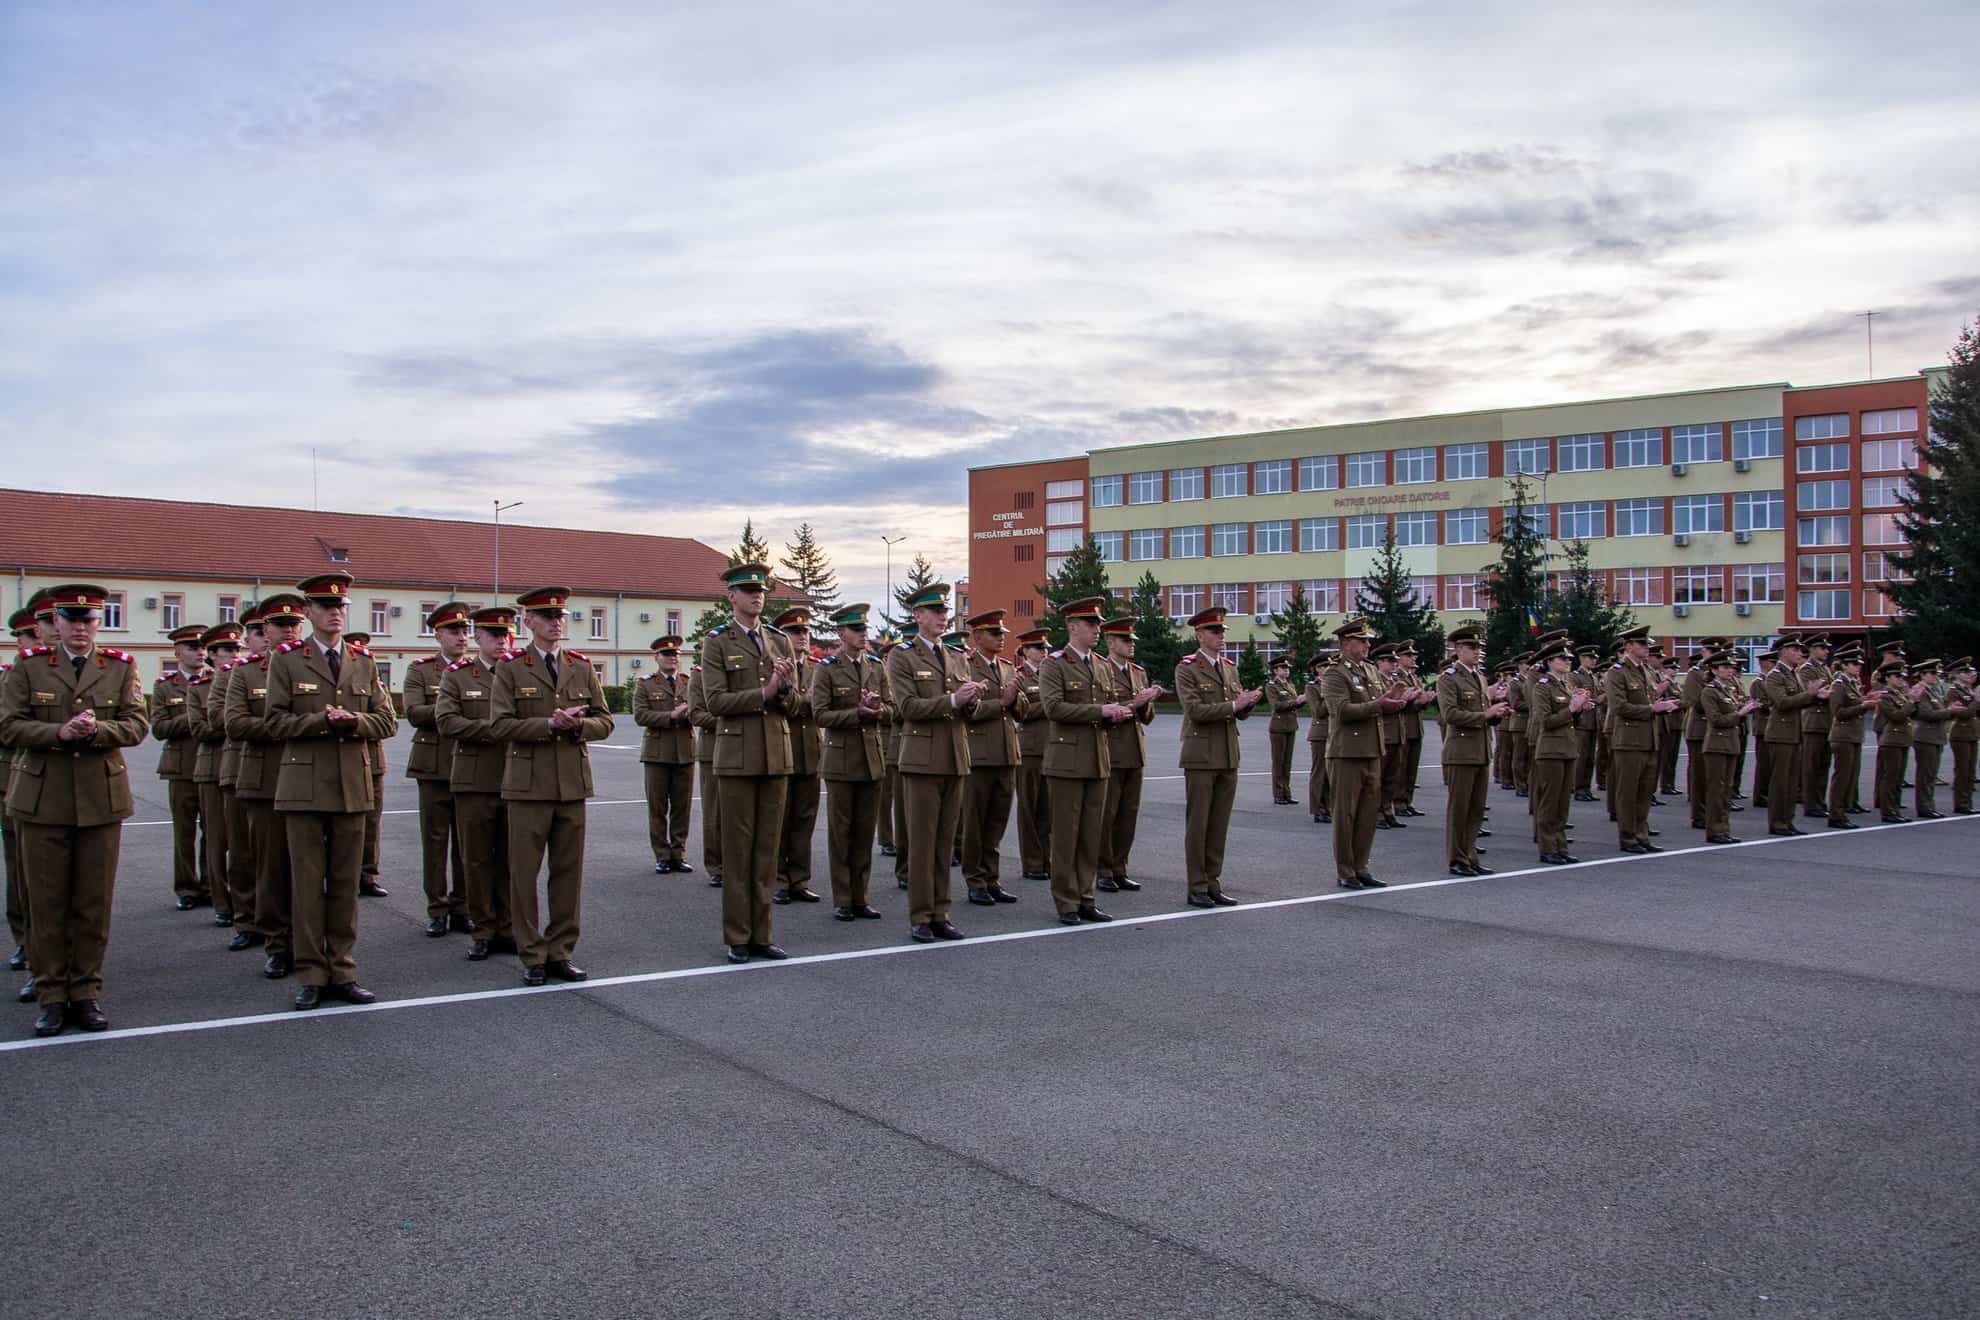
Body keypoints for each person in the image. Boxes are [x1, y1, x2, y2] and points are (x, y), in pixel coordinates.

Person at [0, 585, 147, 1036]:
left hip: (100, 801)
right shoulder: (28, 668)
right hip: (42, 800)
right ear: (56, 623)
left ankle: (85, 993)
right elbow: (7, 724)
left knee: (92, 904)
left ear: (98, 623)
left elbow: (138, 723)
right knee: (46, 904)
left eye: (89, 620)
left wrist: (98, 730)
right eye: (72, 619)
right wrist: (57, 733)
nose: (81, 627)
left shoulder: (120, 668)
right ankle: (50, 995)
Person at [266, 573, 397, 1010]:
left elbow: (387, 721)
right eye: (325, 606)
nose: (334, 612)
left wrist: (355, 722)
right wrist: (324, 721)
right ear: (308, 613)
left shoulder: (362, 660)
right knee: (306, 885)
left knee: (344, 885)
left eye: (340, 606)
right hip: (303, 787)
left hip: (352, 787)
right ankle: (310, 973)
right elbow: (274, 722)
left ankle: (342, 968)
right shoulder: (286, 660)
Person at [492, 587, 614, 985]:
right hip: (528, 786)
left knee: (567, 874)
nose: (555, 622)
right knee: (524, 875)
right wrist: (548, 723)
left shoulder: (580, 666)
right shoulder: (511, 667)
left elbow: (605, 722)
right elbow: (500, 726)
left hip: (571, 785)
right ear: (528, 621)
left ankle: (561, 950)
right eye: (546, 615)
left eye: (560, 615)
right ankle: (532, 953)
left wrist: (578, 724)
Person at [701, 563, 805, 962]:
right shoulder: (718, 643)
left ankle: (762, 933)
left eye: (759, 590)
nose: (756, 596)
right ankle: (738, 936)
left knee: (766, 851)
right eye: (746, 590)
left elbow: (793, 705)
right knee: (739, 851)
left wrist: (784, 692)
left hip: (776, 756)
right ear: (732, 596)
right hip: (738, 757)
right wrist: (765, 691)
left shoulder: (780, 642)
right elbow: (715, 702)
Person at [884, 582, 982, 943]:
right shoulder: (902, 656)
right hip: (922, 760)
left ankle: (942, 913)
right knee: (923, 845)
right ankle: (921, 916)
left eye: (945, 612)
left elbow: (965, 710)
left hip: (955, 758)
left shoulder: (956, 656)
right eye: (935, 612)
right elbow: (907, 708)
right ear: (918, 617)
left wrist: (970, 701)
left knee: (945, 844)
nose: (943, 617)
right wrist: (955, 701)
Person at [226, 594, 307, 977]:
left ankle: (310, 944)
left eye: (295, 624)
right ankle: (277, 943)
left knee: (307, 869)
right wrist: (290, 726)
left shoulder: (313, 666)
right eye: (280, 625)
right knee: (270, 867)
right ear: (265, 632)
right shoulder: (245, 673)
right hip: (266, 780)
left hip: (309, 779)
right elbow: (235, 723)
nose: (289, 630)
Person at [435, 605, 520, 961]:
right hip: (473, 779)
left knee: (511, 860)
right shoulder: (458, 675)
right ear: (478, 638)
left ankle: (509, 926)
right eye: (493, 635)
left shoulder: (519, 673)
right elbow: (447, 722)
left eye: (506, 635)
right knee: (477, 859)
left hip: (514, 777)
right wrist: (494, 729)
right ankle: (483, 928)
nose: (501, 641)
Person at [1038, 597, 1129, 923]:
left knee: (1091, 834)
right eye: (1091, 625)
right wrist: (1100, 711)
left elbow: (1104, 706)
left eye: (1098, 625)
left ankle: (1086, 897)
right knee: (1066, 836)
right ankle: (1066, 901)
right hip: (1066, 760)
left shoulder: (1101, 665)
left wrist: (1116, 712)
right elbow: (1053, 708)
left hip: (1097, 758)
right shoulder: (1055, 663)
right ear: (1072, 627)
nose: (1097, 630)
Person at [1175, 605, 1261, 907]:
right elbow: (1196, 711)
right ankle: (1196, 885)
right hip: (1200, 754)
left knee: (1218, 824)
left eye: (1222, 631)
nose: (1220, 636)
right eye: (1214, 631)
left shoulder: (1228, 666)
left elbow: (1237, 712)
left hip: (1227, 753)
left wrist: (1247, 704)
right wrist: (1235, 706)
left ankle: (1213, 881)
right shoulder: (1187, 667)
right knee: (1198, 824)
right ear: (1199, 635)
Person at [811, 604, 889, 921]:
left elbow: (895, 709)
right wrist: (855, 712)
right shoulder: (827, 669)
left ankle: (861, 896)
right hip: (841, 761)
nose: (862, 635)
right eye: (856, 630)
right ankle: (843, 897)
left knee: (864, 832)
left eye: (864, 629)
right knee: (841, 833)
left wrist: (879, 709)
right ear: (841, 633)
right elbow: (820, 714)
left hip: (871, 759)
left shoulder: (876, 666)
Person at [405, 602, 472, 936]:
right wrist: (455, 711)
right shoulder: (421, 669)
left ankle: (463, 906)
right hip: (433, 765)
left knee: (467, 842)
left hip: (471, 764)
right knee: (435, 841)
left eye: (465, 631)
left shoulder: (478, 670)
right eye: (454, 631)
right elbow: (414, 712)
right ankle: (437, 907)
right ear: (438, 635)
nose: (462, 637)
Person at [1322, 617, 1404, 887]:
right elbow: (1341, 711)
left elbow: (1376, 704)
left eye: (1369, 640)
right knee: (1346, 815)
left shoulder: (1370, 670)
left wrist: (1391, 700)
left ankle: (1361, 866)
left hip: (1371, 749)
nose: (1368, 645)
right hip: (1347, 752)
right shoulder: (1335, 673)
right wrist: (1379, 704)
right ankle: (1345, 870)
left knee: (1368, 813)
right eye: (1363, 640)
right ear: (1346, 643)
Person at [959, 609, 1023, 907]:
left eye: (1001, 634)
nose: (1000, 638)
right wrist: (1002, 702)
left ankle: (992, 878)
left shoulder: (1008, 667)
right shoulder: (966, 666)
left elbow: (1019, 710)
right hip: (979, 754)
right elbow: (966, 711)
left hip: (1006, 753)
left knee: (997, 821)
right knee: (976, 821)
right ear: (977, 636)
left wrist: (1016, 698)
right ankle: (975, 880)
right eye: (994, 633)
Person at [1437, 623, 1506, 877]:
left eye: (1479, 647)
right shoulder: (1449, 678)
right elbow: (1450, 714)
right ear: (1457, 649)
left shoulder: (1479, 677)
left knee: (1476, 809)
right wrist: (1485, 714)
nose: (1477, 651)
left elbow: (1482, 714)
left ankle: (1470, 854)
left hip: (1480, 749)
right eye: (1471, 647)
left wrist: (1496, 714)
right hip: (1461, 750)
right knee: (1460, 809)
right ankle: (1457, 858)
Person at [1097, 615, 1160, 892]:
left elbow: (1147, 717)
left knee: (1128, 815)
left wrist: (1146, 704)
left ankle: (1120, 867)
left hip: (1134, 750)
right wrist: (1137, 702)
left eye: (1132, 640)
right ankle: (1103, 870)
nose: (1130, 644)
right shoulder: (1100, 669)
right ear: (1110, 642)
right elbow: (1101, 708)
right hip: (1111, 748)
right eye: (1125, 640)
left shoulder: (1138, 672)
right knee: (1107, 814)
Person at [1604, 624, 1679, 854]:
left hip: (1648, 738)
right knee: (1628, 791)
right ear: (1628, 646)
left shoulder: (1644, 670)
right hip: (1629, 739)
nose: (1647, 648)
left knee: (1645, 791)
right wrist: (1652, 709)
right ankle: (1628, 837)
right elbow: (1619, 706)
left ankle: (1641, 834)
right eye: (1642, 644)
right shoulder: (1617, 672)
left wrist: (1663, 706)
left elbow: (1649, 698)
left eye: (1647, 644)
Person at [153, 621, 209, 910]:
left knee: (214, 833)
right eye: (192, 647)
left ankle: (211, 885)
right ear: (178, 652)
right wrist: (193, 717)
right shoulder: (165, 686)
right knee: (184, 833)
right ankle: (187, 888)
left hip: (212, 766)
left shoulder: (217, 680)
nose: (200, 652)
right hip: (182, 767)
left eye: (202, 647)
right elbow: (159, 727)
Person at [190, 622, 241, 925]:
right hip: (212, 767)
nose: (233, 655)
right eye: (226, 650)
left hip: (239, 765)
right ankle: (221, 902)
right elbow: (201, 728)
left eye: (236, 648)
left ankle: (243, 899)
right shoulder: (200, 687)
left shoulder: (247, 677)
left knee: (241, 841)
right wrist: (239, 721)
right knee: (216, 838)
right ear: (211, 655)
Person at [632, 634, 696, 875]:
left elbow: (701, 710)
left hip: (685, 752)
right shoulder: (646, 683)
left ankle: (678, 854)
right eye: (667, 655)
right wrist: (670, 716)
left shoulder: (688, 682)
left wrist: (688, 713)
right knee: (657, 807)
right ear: (656, 657)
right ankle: (661, 854)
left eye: (675, 655)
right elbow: (640, 716)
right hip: (657, 753)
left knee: (682, 807)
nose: (672, 659)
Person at [773, 607, 824, 904]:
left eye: (805, 632)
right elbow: (784, 705)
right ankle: (780, 878)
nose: (802, 637)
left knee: (805, 819)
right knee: (782, 817)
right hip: (784, 749)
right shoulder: (779, 668)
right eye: (795, 632)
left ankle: (800, 878)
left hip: (810, 752)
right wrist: (806, 700)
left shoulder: (817, 667)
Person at [1531, 640, 1593, 864]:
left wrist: (1579, 709)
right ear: (1549, 662)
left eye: (1569, 658)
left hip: (1567, 748)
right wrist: (1572, 708)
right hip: (1550, 750)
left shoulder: (1565, 685)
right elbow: (1546, 721)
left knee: (1562, 803)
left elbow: (1568, 719)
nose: (1568, 662)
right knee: (1550, 802)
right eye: (1562, 659)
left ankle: (1560, 845)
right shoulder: (1543, 686)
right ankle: (1548, 848)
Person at [1761, 636, 1828, 836]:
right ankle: (1777, 822)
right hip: (1780, 734)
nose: (1800, 654)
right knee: (1780, 781)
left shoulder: (1792, 674)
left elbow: (1799, 701)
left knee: (1791, 782)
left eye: (1800, 651)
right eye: (1795, 650)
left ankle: (1787, 820)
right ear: (1784, 652)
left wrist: (1816, 696)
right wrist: (1810, 694)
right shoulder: (1775, 675)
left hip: (1793, 733)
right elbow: (1782, 703)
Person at [342, 630, 390, 899]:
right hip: (348, 757)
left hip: (372, 760)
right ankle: (344, 875)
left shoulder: (374, 683)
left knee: (370, 825)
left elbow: (388, 721)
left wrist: (357, 721)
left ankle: (368, 875)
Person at [1698, 651, 1762, 844]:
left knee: (1727, 788)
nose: (1729, 670)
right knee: (1717, 789)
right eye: (1724, 667)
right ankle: (1715, 830)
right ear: (1715, 670)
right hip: (1717, 744)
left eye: (1730, 667)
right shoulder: (1710, 691)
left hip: (1730, 743)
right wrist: (1741, 713)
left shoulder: (1728, 690)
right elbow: (1716, 719)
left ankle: (1723, 828)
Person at [1012, 629, 1053, 882]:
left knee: (1048, 810)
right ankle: (1031, 862)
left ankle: (1046, 859)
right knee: (1029, 808)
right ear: (1026, 651)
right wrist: (1050, 704)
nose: (1043, 652)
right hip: (1028, 749)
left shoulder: (1050, 675)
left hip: (1052, 748)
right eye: (1038, 648)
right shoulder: (1019, 677)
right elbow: (1021, 711)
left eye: (1045, 648)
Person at [1824, 646, 1873, 830]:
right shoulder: (1839, 684)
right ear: (1844, 666)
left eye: (1859, 664)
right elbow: (1838, 712)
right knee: (1842, 776)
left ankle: (1842, 812)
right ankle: (1836, 814)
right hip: (1843, 735)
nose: (1857, 667)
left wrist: (1866, 700)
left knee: (1850, 776)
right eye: (1853, 664)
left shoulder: (1852, 683)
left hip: (1854, 735)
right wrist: (1863, 706)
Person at [686, 658, 723, 887]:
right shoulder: (700, 675)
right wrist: (730, 719)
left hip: (744, 749)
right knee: (714, 812)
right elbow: (696, 714)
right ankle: (717, 866)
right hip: (713, 750)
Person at [1909, 659, 1960, 819]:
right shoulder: (1921, 691)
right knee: (1925, 774)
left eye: (1936, 673)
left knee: (1931, 774)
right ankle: (1924, 807)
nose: (1935, 676)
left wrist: (1949, 710)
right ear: (1922, 675)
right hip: (1925, 736)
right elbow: (1926, 714)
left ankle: (1929, 805)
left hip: (1935, 736)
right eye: (1932, 673)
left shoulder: (1933, 690)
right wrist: (1949, 711)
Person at [1870, 659, 1915, 822]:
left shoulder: (1899, 694)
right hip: (1892, 739)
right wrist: (1912, 702)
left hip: (1902, 738)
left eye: (1902, 676)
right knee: (1890, 776)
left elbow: (1910, 713)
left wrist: (1911, 701)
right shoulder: (1885, 696)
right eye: (1897, 676)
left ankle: (1894, 809)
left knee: (1897, 777)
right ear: (1887, 678)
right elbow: (1897, 716)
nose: (1901, 679)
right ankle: (1888, 811)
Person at [1797, 634, 1835, 820]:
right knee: (1811, 766)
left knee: (1823, 765)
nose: (1826, 651)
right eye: (1822, 648)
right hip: (1813, 721)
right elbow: (1808, 693)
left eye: (1826, 648)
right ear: (1812, 649)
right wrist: (1820, 694)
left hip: (1826, 722)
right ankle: (1810, 803)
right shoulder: (1806, 669)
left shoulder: (1825, 669)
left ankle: (1819, 801)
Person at [1396, 644, 1433, 817]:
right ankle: (1398, 802)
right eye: (1409, 656)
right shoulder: (1398, 678)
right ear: (1400, 658)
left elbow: (1418, 703)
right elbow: (1401, 704)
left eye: (1414, 655)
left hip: (1416, 727)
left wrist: (1424, 701)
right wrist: (1418, 701)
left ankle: (1407, 800)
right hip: (1404, 726)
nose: (1413, 658)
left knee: (1412, 768)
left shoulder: (1414, 678)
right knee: (1401, 768)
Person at [1264, 656, 1302, 805]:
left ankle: (1287, 792)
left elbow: (1293, 704)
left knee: (1287, 762)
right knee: (1278, 762)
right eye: (1283, 669)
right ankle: (1278, 793)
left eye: (1288, 669)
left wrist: (1300, 701)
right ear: (1275, 670)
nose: (1286, 671)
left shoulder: (1290, 685)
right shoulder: (1272, 685)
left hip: (1291, 725)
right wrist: (1296, 701)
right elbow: (1276, 706)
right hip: (1278, 727)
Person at [1572, 646, 1603, 802]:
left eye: (1595, 658)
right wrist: (1599, 699)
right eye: (1590, 658)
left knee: (1590, 758)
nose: (1594, 660)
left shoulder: (1593, 677)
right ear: (1582, 659)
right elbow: (1577, 696)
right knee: (1581, 757)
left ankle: (1586, 788)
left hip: (1593, 722)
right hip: (1582, 722)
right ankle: (1578, 788)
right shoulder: (1576, 676)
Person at [1947, 657, 1977, 814]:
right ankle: (1961, 803)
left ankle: (1967, 801)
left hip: (1972, 733)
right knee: (1963, 770)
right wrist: (1977, 701)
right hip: (1960, 733)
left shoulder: (1969, 690)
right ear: (1957, 674)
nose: (1970, 674)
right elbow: (1965, 714)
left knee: (1970, 770)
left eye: (1970, 671)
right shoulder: (1954, 692)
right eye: (1965, 672)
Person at [1305, 651, 1332, 823]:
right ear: (1316, 670)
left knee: (1331, 773)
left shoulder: (1334, 684)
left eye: (1329, 665)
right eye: (1323, 666)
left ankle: (1329, 806)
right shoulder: (1312, 687)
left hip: (1335, 733)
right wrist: (1328, 693)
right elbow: (1319, 711)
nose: (1327, 669)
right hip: (1320, 734)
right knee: (1320, 772)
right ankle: (1319, 808)